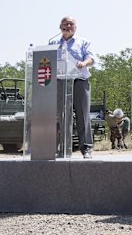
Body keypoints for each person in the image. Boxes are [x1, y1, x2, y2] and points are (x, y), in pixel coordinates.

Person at [50, 16, 95, 158]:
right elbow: (47, 59)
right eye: (65, 24)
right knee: (62, 116)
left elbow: (91, 58)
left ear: (75, 27)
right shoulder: (53, 42)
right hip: (61, 82)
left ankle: (86, 148)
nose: (67, 26)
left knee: (83, 115)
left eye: (71, 24)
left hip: (79, 81)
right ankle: (62, 148)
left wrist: (83, 63)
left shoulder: (83, 42)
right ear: (60, 27)